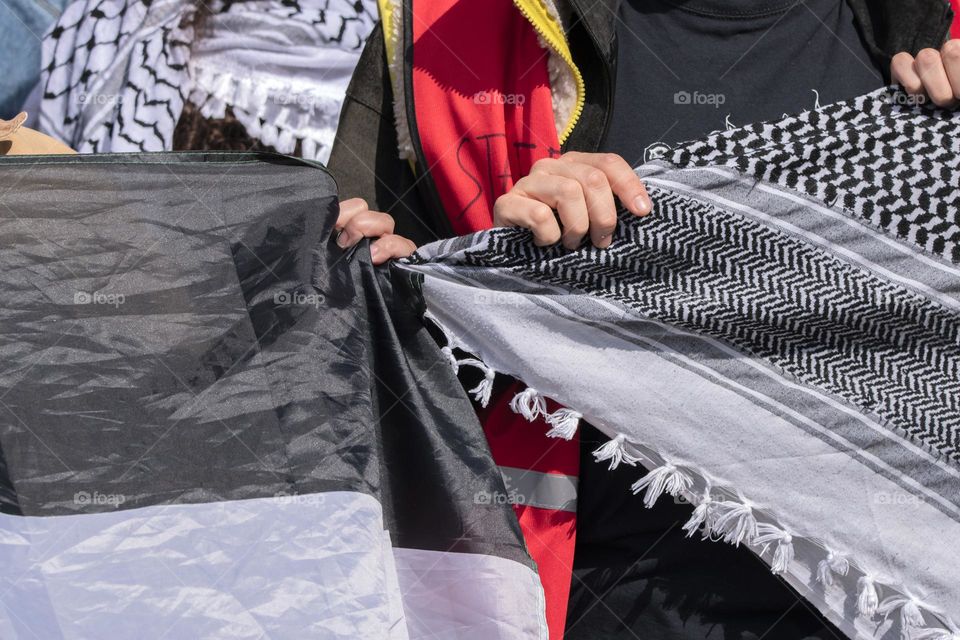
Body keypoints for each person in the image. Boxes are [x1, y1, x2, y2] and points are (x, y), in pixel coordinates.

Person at [328, 1, 959, 638]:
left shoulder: (943, 32)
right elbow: (328, 355)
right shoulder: (456, 36)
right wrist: (467, 265)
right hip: (574, 600)